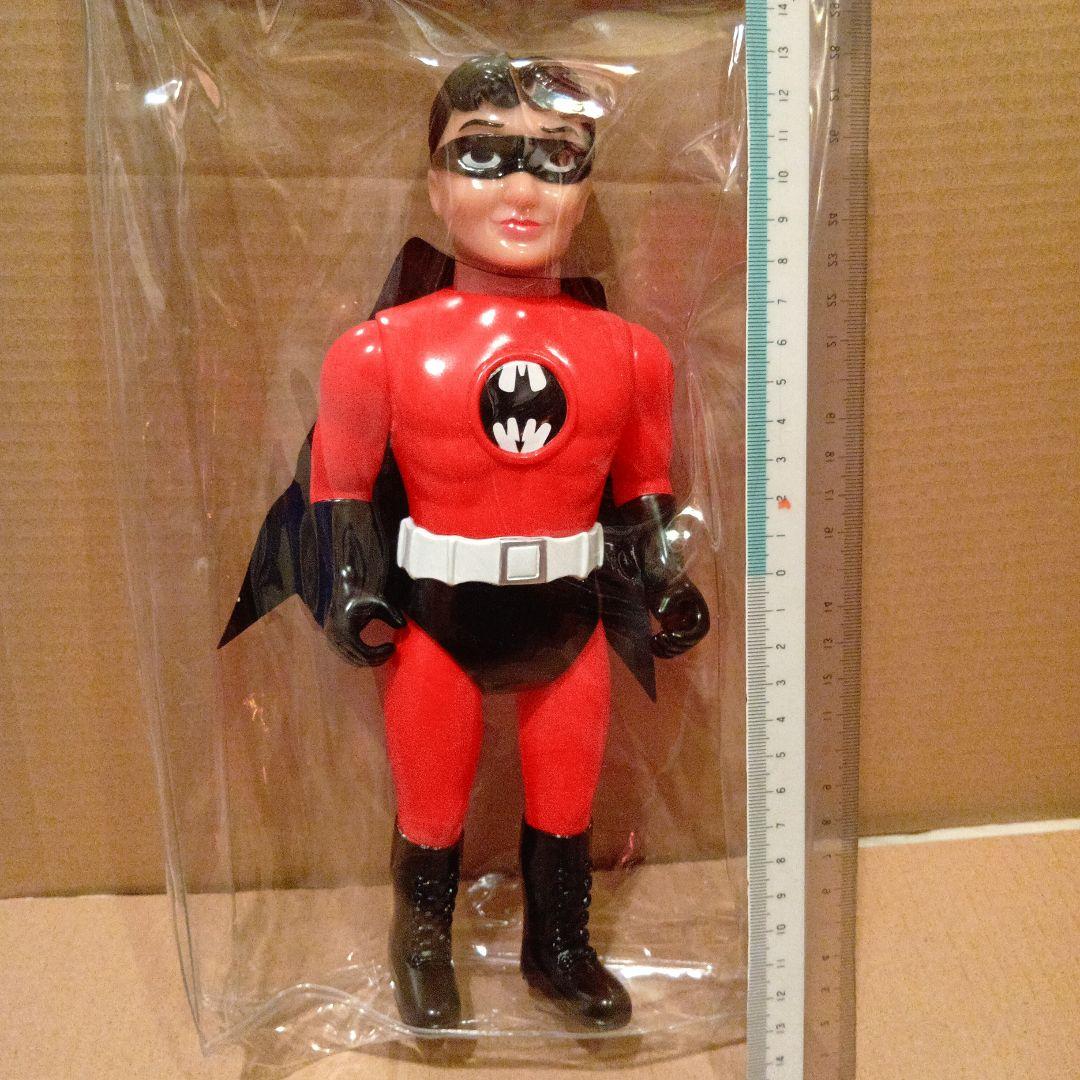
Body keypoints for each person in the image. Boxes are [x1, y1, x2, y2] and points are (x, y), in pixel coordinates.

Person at [252, 54, 710, 1032]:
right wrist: (354, 593)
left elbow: (642, 489)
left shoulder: (632, 355)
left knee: (567, 799)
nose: (520, 187)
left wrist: (664, 582)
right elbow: (339, 491)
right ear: (435, 184)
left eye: (555, 158)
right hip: (437, 618)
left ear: (584, 188)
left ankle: (559, 945)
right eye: (484, 155)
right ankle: (421, 946)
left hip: (570, 617)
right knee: (430, 805)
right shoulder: (378, 350)